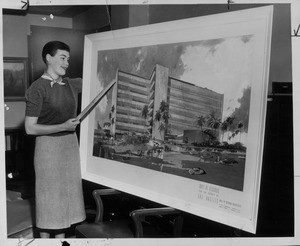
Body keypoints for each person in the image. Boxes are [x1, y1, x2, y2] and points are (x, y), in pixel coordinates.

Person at [25, 41, 86, 238]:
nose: (67, 63)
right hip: (48, 148)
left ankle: (60, 241)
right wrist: (63, 127)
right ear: (48, 58)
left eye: (68, 59)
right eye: (62, 57)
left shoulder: (71, 83)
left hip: (70, 146)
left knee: (67, 202)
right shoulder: (37, 88)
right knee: (49, 202)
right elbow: (30, 128)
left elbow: (96, 78)